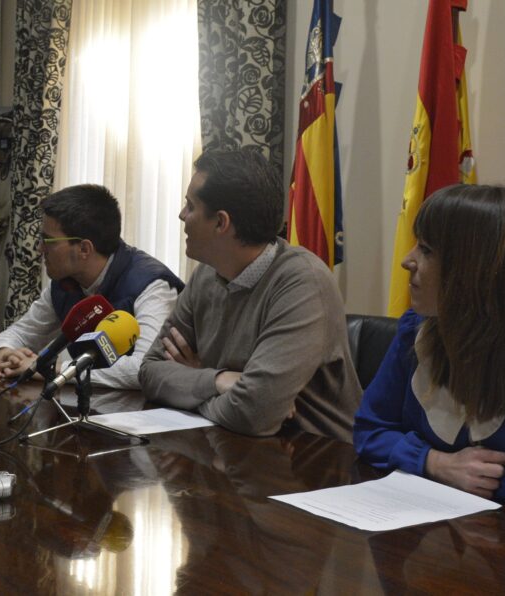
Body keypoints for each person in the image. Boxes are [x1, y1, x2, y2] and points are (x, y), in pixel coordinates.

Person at [354, 184, 505, 520]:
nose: (407, 260)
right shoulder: (418, 326)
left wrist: (467, 477)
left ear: (478, 269)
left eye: (426, 250)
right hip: (426, 529)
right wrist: (435, 463)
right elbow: (370, 430)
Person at [139, 147, 360, 441]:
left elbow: (254, 412)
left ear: (221, 223)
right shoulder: (206, 274)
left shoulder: (302, 283)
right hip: (232, 449)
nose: (181, 216)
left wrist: (196, 383)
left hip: (315, 460)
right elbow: (150, 372)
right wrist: (218, 380)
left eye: (190, 206)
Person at [0, 184, 183, 389]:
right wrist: (6, 353)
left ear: (84, 248)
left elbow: (143, 370)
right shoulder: (67, 282)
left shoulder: (153, 286)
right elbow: (20, 333)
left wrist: (52, 369)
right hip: (87, 407)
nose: (39, 249)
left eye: (48, 241)